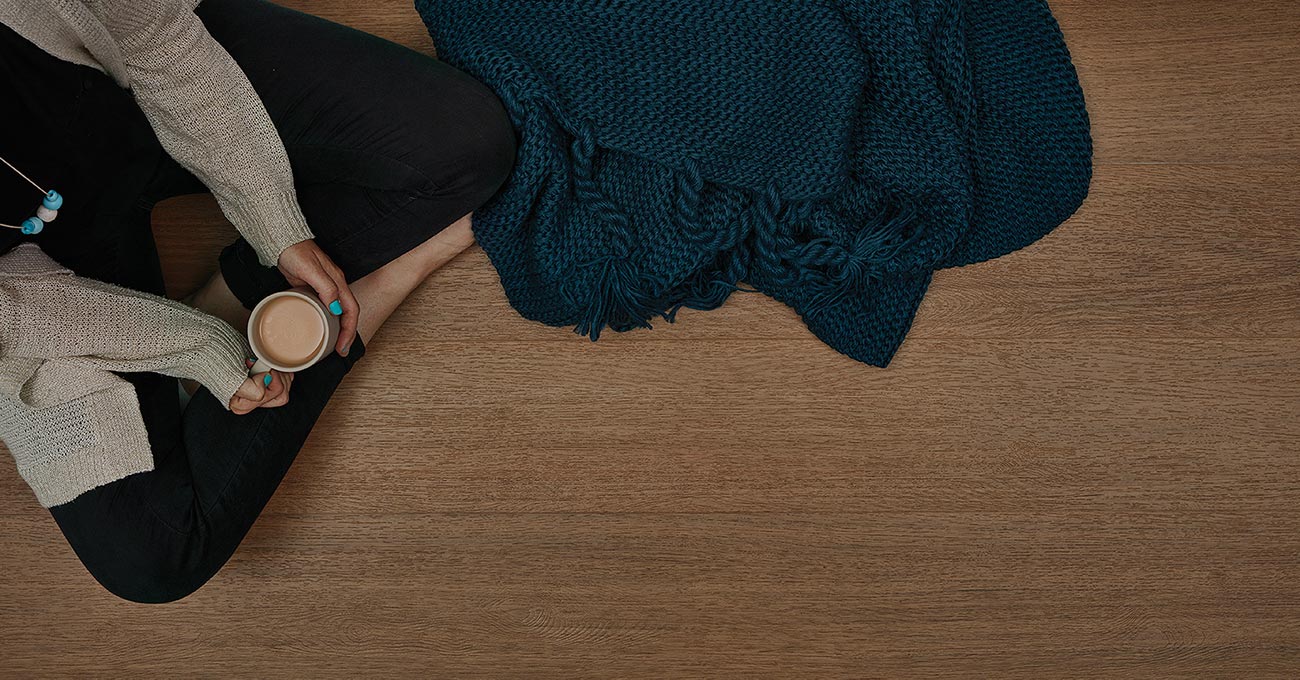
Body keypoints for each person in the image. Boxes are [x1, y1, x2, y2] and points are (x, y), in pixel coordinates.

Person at [0, 0, 516, 602]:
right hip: (41, 291)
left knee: (468, 143)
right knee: (154, 555)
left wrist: (276, 225)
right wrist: (193, 342)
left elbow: (152, 35)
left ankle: (251, 292)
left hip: (133, 75)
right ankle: (386, 277)